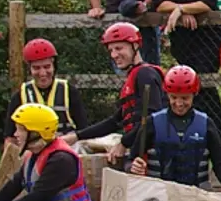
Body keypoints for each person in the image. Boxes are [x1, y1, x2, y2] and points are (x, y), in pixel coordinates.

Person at [149, 0, 221, 141]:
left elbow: (208, 2)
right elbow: (158, 3)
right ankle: (193, 131)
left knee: (204, 82)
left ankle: (218, 133)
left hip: (208, 37)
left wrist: (182, 8)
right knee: (187, 84)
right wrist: (179, 12)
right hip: (182, 38)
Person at [128, 66, 221, 193]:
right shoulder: (152, 122)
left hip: (196, 195)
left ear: (193, 95)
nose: (179, 104)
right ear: (167, 95)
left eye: (185, 98)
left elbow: (220, 164)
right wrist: (133, 166)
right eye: (174, 97)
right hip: (159, 197)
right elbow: (130, 160)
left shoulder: (206, 124)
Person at [66, 23, 165, 164]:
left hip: (152, 153)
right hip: (139, 148)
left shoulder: (145, 74)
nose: (114, 55)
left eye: (119, 48)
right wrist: (77, 136)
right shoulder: (134, 75)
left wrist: (124, 143)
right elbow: (116, 121)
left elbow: (151, 117)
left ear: (135, 46)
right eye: (111, 50)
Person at [3, 38, 88, 146]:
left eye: (47, 67)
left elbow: (84, 130)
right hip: (33, 152)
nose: (42, 73)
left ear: (54, 66)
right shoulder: (20, 96)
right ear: (30, 69)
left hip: (66, 149)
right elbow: (10, 138)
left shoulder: (69, 92)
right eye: (36, 68)